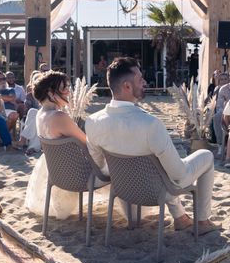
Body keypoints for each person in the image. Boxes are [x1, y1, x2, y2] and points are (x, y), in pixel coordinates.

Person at [85, 57, 219, 235]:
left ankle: (181, 218)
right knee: (205, 156)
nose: (145, 82)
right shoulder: (150, 124)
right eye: (140, 79)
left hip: (123, 189)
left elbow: (100, 167)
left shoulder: (93, 122)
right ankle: (202, 221)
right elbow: (178, 176)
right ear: (127, 86)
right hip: (156, 191)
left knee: (156, 163)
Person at [24, 70, 108, 218]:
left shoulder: (40, 114)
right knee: (117, 163)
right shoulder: (59, 116)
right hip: (77, 175)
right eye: (64, 89)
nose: (68, 92)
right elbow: (87, 143)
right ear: (51, 93)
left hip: (56, 171)